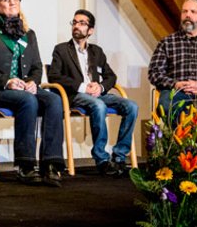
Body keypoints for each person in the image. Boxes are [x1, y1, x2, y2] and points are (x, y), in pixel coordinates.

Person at [0, 0, 65, 187]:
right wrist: (7, 81)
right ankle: (26, 165)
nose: (12, 3)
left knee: (54, 100)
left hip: (25, 89)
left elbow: (37, 66)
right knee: (27, 102)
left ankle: (51, 164)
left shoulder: (29, 34)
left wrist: (33, 82)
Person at [48, 9, 138, 178]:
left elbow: (111, 76)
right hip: (76, 95)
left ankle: (119, 157)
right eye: (74, 22)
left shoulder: (97, 51)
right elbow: (54, 75)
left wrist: (101, 87)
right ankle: (102, 159)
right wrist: (83, 87)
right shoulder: (61, 50)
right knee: (99, 105)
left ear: (90, 30)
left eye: (82, 23)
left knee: (131, 106)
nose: (76, 26)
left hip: (98, 94)